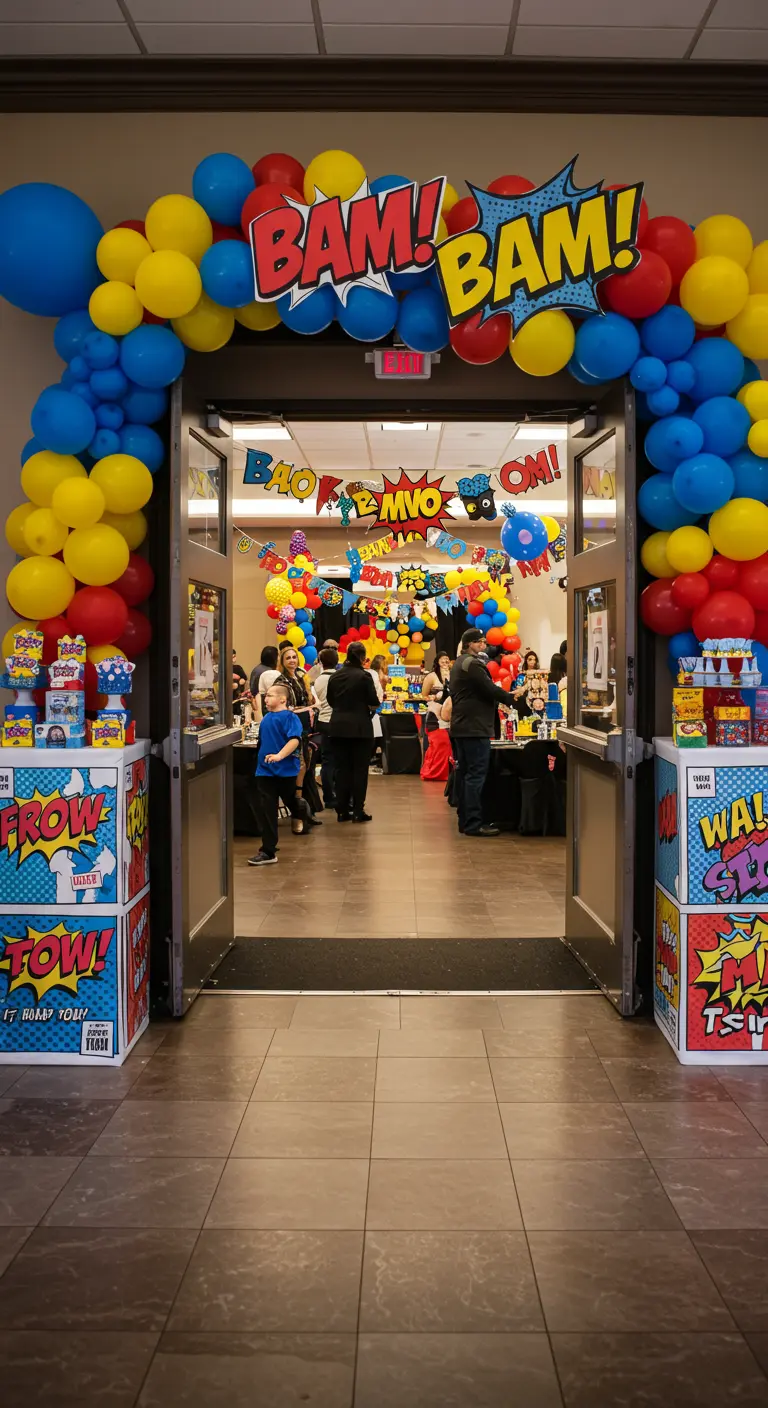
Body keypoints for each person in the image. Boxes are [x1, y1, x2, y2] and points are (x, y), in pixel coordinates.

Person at [449, 627, 517, 837]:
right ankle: (474, 823)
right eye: (479, 641)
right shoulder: (472, 664)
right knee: (475, 775)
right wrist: (511, 697)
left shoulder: (460, 663)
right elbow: (489, 688)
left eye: (484, 642)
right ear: (468, 644)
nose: (483, 645)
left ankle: (465, 820)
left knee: (465, 774)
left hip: (462, 726)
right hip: (474, 727)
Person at [248, 680, 312, 866]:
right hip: (265, 771)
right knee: (267, 809)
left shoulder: (290, 718)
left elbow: (294, 740)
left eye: (269, 695)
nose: (266, 699)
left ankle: (302, 810)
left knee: (290, 801)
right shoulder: (267, 718)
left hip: (285, 771)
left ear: (283, 699)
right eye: (266, 696)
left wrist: (279, 756)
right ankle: (268, 851)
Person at [327, 639, 379, 822]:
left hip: (337, 726)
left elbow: (331, 701)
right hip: (360, 728)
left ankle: (342, 810)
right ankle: (358, 810)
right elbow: (374, 701)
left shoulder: (335, 676)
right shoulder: (364, 677)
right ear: (363, 657)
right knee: (359, 770)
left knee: (341, 769)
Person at [311, 645, 339, 809]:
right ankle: (339, 794)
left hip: (323, 721)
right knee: (340, 760)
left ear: (321, 662)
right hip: (337, 722)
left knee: (327, 761)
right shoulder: (339, 677)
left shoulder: (318, 680)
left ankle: (328, 797)